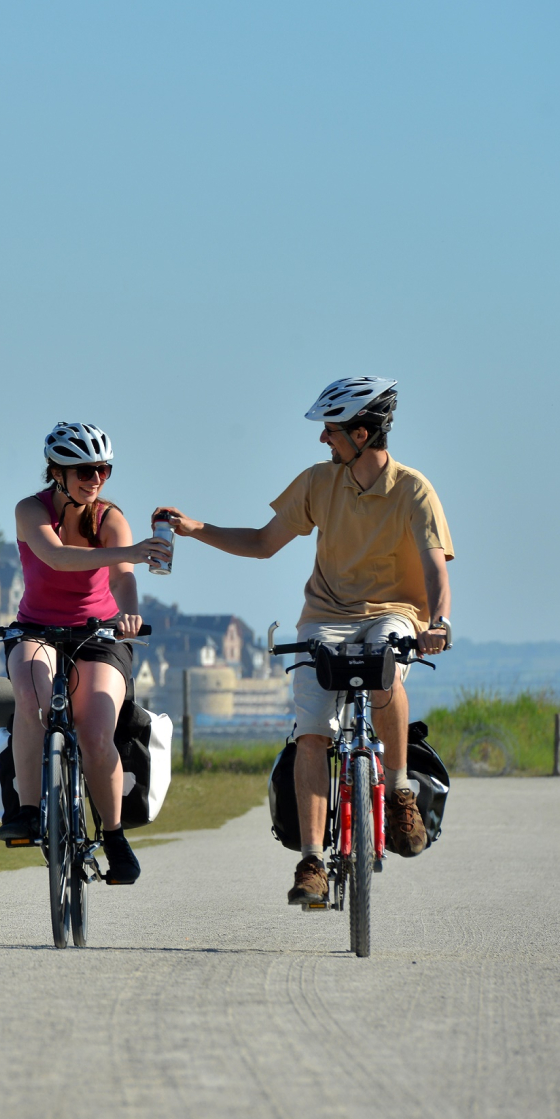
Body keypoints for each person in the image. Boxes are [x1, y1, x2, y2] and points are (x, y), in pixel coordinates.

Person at [152, 377, 453, 908]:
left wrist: (440, 624)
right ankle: (313, 859)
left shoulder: (413, 490)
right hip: (325, 617)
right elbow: (265, 543)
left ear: (361, 433)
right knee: (312, 732)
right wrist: (198, 528)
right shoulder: (319, 482)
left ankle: (401, 791)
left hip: (395, 613)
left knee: (386, 662)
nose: (323, 441)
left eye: (331, 431)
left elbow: (434, 570)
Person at [0, 422, 172, 885]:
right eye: (84, 471)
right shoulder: (29, 511)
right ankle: (30, 812)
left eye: (102, 470)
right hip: (36, 628)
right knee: (32, 704)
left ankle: (113, 835)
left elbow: (123, 578)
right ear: (57, 472)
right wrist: (130, 551)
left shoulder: (110, 518)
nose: (94, 479)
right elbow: (56, 557)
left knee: (96, 732)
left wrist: (129, 615)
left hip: (99, 634)